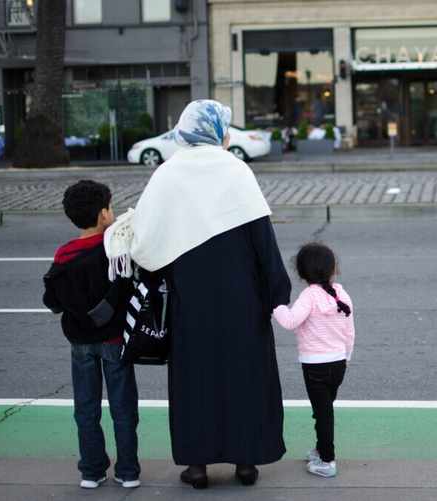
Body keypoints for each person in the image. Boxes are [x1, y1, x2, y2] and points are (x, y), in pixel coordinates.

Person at [103, 100, 291, 490]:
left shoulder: (168, 174)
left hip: (191, 302)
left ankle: (198, 466)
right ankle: (246, 461)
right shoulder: (236, 170)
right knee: (246, 378)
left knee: (195, 382)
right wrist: (277, 292)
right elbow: (262, 239)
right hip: (244, 300)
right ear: (218, 131)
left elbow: (146, 245)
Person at [42, 180, 140, 490]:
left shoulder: (64, 255)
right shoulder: (115, 251)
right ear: (103, 215)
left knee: (86, 408)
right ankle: (127, 472)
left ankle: (91, 471)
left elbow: (52, 301)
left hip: (80, 343)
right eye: (110, 207)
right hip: (114, 340)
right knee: (123, 409)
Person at [273, 243, 355, 478]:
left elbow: (290, 321)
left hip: (315, 365)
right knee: (324, 410)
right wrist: (347, 356)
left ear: (301, 273)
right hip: (339, 363)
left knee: (323, 413)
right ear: (333, 269)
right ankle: (321, 449)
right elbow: (350, 332)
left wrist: (275, 305)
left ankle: (327, 460)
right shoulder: (341, 293)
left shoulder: (309, 296)